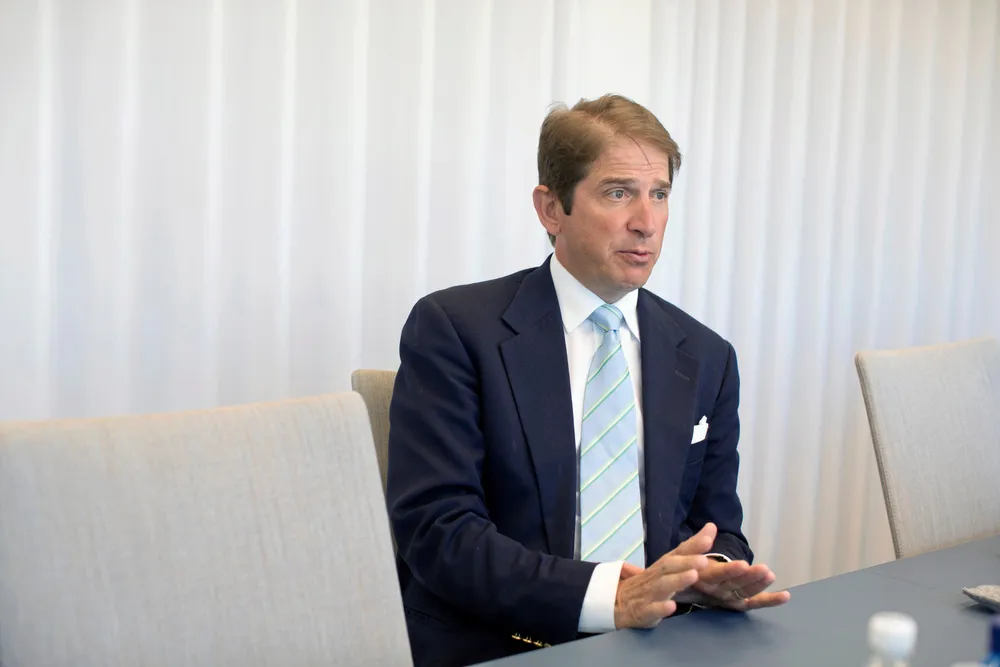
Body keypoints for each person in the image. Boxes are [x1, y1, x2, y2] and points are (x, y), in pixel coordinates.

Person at [386, 94, 790, 667]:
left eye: (659, 194)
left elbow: (716, 525)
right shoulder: (455, 330)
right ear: (552, 209)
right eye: (618, 193)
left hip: (661, 644)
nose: (645, 222)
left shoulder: (706, 356)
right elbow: (437, 531)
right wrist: (610, 599)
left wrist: (712, 572)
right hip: (502, 644)